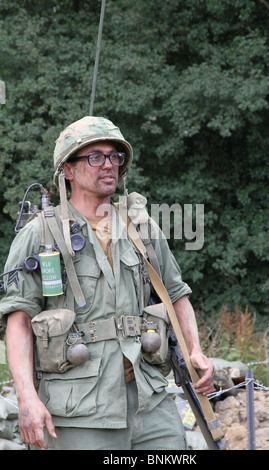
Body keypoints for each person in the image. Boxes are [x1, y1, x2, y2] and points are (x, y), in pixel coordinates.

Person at [0, 116, 215, 450]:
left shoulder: (141, 228)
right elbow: (19, 321)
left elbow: (175, 295)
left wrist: (196, 351)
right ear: (67, 170)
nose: (108, 165)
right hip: (78, 411)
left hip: (149, 402)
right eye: (94, 156)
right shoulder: (40, 235)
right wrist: (27, 398)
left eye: (114, 156)